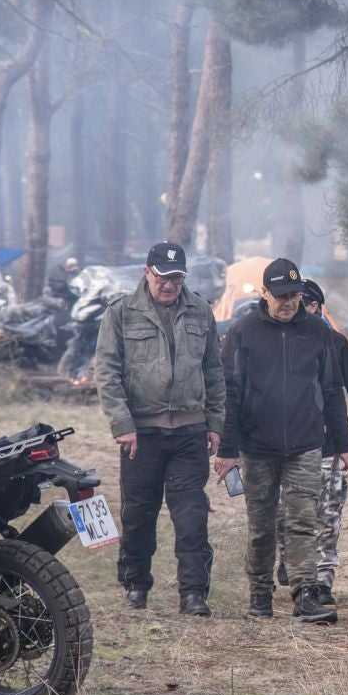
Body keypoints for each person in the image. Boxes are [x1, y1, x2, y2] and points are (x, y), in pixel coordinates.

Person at [212, 258, 348, 624]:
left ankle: (305, 593)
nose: (288, 302)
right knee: (261, 526)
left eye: (294, 295)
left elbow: (332, 390)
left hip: (306, 444)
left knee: (302, 521)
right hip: (257, 447)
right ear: (264, 293)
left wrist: (343, 443)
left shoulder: (317, 332)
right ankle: (259, 592)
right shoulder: (243, 332)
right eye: (280, 296)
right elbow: (230, 392)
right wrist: (228, 450)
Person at [92, 241, 226, 617]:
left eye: (177, 278)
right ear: (147, 273)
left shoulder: (201, 311)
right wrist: (122, 425)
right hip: (141, 435)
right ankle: (135, 585)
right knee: (139, 513)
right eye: (163, 278)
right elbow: (107, 372)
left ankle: (194, 593)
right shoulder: (120, 313)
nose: (170, 285)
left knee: (191, 515)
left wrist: (215, 423)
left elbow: (214, 372)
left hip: (189, 432)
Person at [275, 279, 348, 606]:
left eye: (301, 301)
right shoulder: (276, 339)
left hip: (328, 447)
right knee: (283, 513)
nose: (293, 306)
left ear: (316, 307)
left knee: (327, 516)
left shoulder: (335, 342)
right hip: (282, 447)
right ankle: (289, 559)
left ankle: (323, 580)